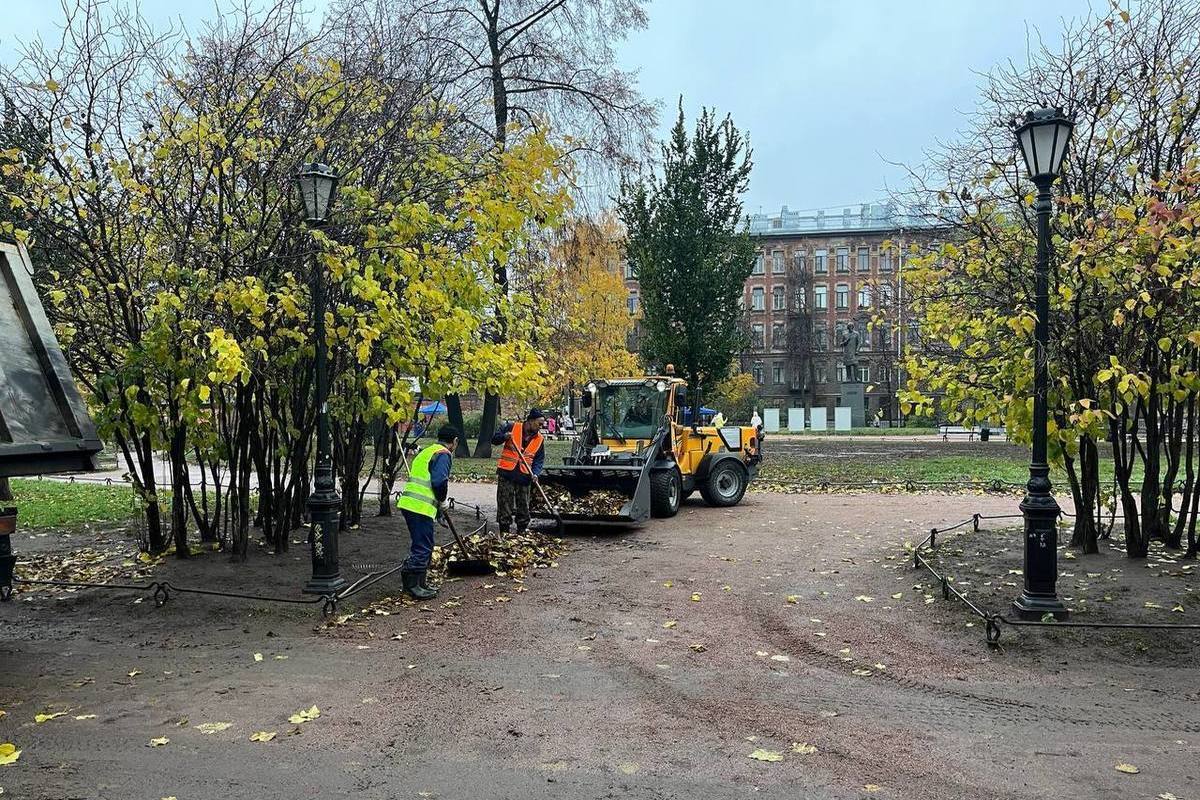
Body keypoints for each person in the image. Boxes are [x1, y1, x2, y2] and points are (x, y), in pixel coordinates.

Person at [396, 425, 458, 600]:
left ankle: (420, 583)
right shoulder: (444, 454)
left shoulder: (428, 451)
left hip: (411, 504)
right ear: (454, 442)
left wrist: (438, 513)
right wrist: (443, 501)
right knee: (423, 546)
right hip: (419, 507)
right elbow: (439, 482)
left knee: (424, 543)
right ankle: (412, 586)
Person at [492, 408, 546, 534]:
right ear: (531, 421)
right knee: (504, 504)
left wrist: (536, 473)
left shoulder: (539, 439)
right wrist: (505, 436)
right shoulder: (511, 427)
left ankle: (521, 531)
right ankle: (504, 532)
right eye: (539, 423)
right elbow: (494, 439)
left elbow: (539, 459)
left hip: (525, 476)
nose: (541, 427)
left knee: (523, 506)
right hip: (507, 473)